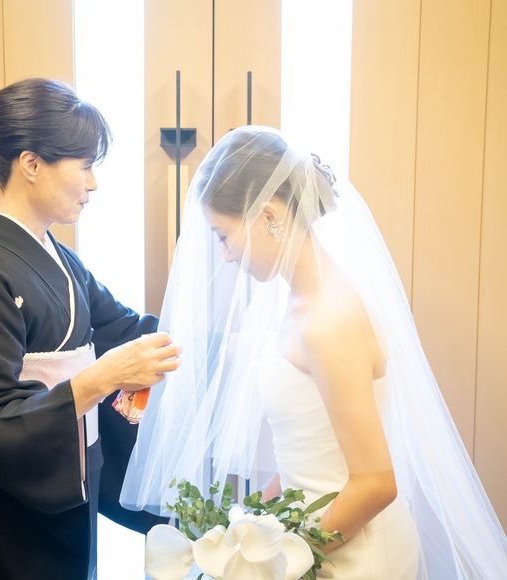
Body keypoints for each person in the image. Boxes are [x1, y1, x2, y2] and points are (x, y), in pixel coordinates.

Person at [121, 126, 507, 579]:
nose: (225, 255)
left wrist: (284, 559)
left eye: (223, 236)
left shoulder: (330, 320)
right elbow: (304, 457)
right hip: (317, 533)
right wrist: (248, 529)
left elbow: (376, 483)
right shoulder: (297, 302)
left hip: (355, 551)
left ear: (269, 215)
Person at [0, 78, 180, 580]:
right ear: (32, 164)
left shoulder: (59, 257)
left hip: (68, 484)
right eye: (84, 166)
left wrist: (224, 341)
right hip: (11, 510)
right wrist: (100, 378)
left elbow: (126, 330)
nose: (93, 183)